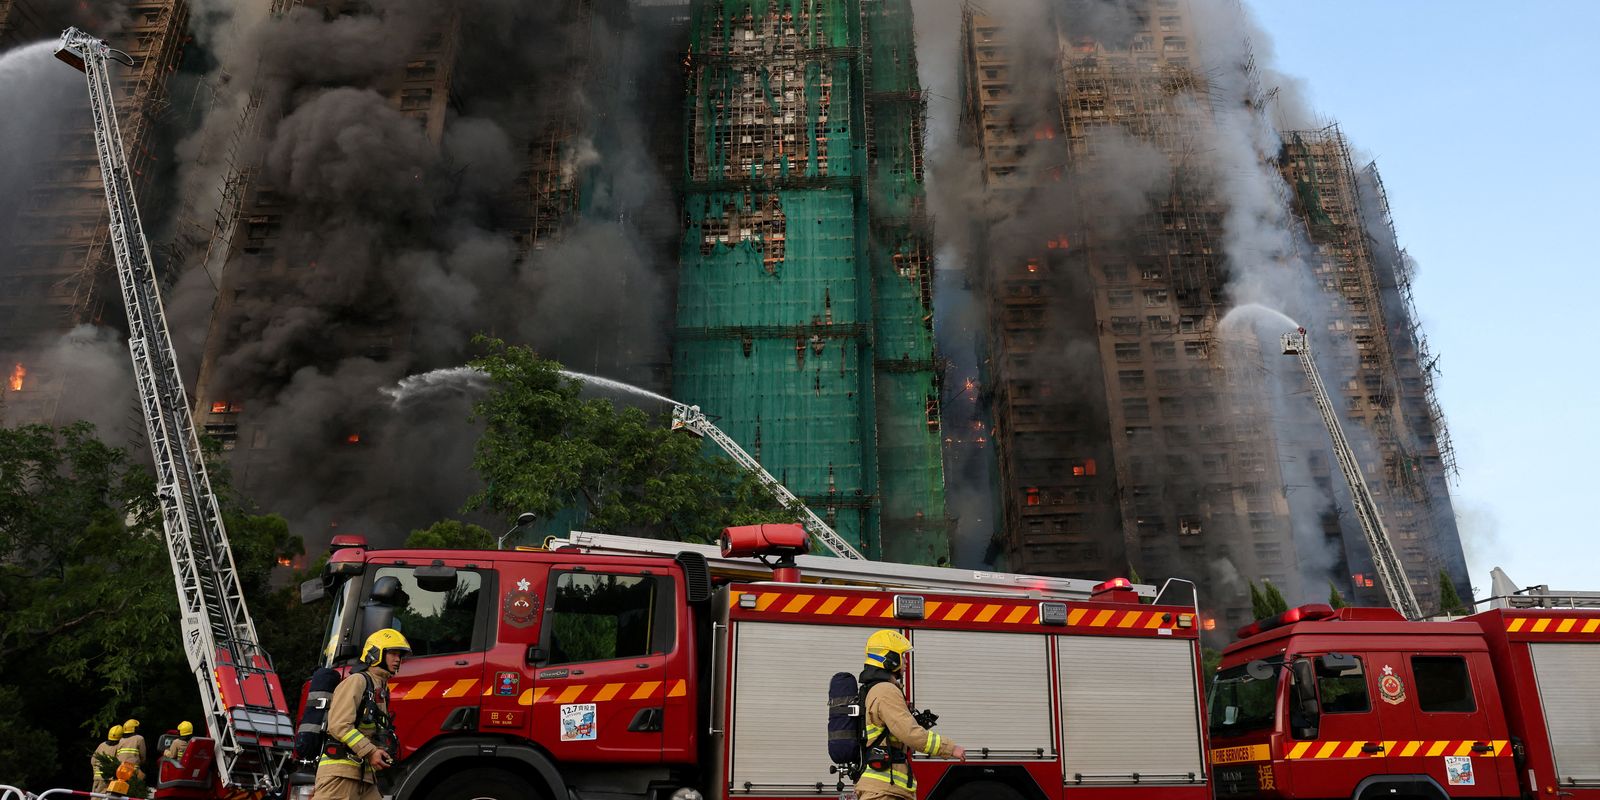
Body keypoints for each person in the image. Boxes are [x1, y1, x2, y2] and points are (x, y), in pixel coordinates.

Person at [854, 630, 965, 800]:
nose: (905, 661)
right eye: (902, 656)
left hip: (883, 789)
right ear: (890, 658)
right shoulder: (885, 691)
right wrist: (950, 748)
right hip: (884, 792)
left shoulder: (874, 689)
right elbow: (909, 733)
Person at [314, 628, 410, 800]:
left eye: (400, 656)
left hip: (364, 776)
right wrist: (371, 752)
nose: (398, 660)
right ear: (375, 653)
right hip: (340, 775)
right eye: (393, 654)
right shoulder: (357, 681)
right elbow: (339, 725)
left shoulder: (380, 687)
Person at [91, 725, 122, 793]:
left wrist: (96, 772)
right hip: (108, 779)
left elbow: (93, 760)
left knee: (95, 797)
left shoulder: (101, 745)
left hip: (97, 778)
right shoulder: (119, 746)